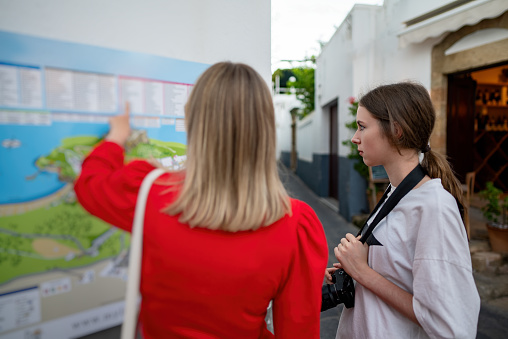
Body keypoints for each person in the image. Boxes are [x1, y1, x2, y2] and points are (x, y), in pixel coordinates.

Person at [74, 62, 328, 338]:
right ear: (265, 129)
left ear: (194, 122)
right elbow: (298, 330)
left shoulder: (149, 192)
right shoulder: (296, 224)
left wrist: (116, 138)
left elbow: (90, 186)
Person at [325, 82, 480, 338]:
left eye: (362, 127)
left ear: (396, 130)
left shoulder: (435, 207)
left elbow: (450, 326)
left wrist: (362, 272)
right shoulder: (396, 192)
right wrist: (352, 271)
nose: (355, 137)